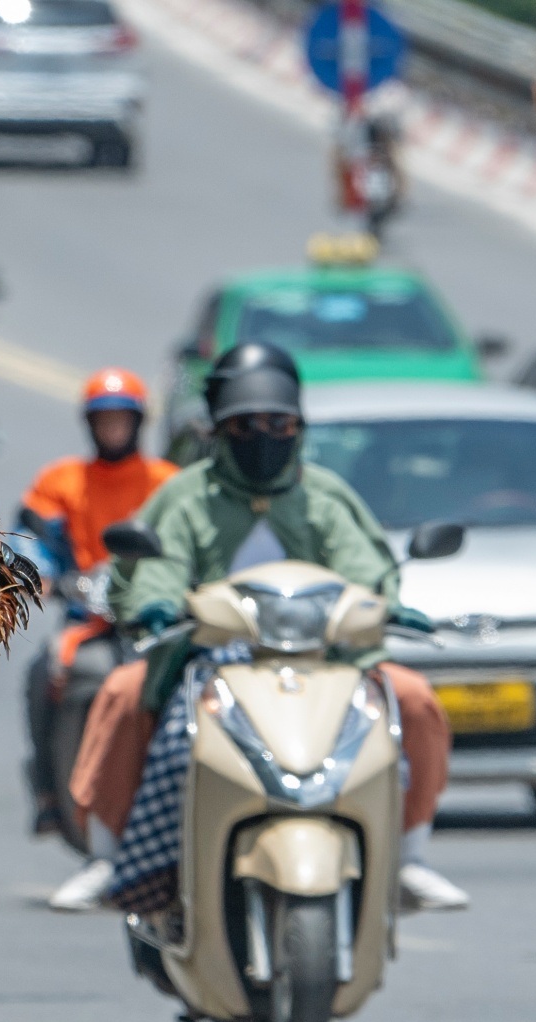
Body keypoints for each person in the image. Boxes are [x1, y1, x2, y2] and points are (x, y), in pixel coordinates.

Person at [58, 343, 469, 912]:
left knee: (415, 699)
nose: (264, 436)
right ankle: (107, 858)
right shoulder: (186, 496)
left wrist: (384, 604)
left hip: (325, 662)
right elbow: (158, 564)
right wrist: (155, 603)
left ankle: (410, 855)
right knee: (125, 693)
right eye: (246, 425)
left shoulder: (324, 497)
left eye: (279, 423)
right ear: (220, 432)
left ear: (299, 428)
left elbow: (363, 565)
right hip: (204, 661)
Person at [18, 368, 177, 848]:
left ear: (138, 423)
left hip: (153, 616)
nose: (112, 428)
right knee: (42, 674)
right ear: (89, 425)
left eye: (121, 419)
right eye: (103, 420)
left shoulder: (166, 482)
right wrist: (37, 570)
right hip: (86, 618)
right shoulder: (63, 480)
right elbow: (31, 536)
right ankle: (47, 792)